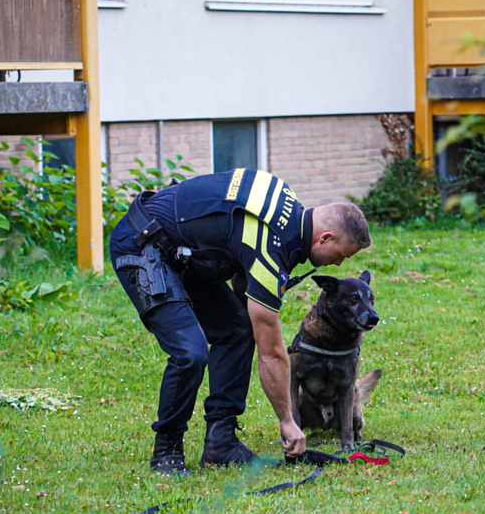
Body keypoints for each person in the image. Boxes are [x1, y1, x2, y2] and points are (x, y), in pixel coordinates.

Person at [108, 168, 372, 475]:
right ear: (325, 237)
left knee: (236, 329)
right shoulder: (271, 248)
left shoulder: (284, 200)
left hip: (183, 252)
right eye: (340, 255)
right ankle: (167, 450)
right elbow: (271, 352)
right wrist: (288, 421)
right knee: (189, 353)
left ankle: (221, 443)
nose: (338, 264)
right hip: (141, 244)